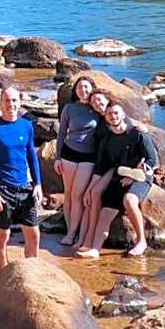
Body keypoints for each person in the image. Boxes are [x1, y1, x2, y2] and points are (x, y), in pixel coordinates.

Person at [76, 102, 158, 258]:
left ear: (123, 115)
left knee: (129, 199)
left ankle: (141, 242)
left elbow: (151, 160)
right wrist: (89, 190)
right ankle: (95, 249)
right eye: (110, 114)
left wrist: (132, 176)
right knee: (105, 212)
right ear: (105, 117)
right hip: (118, 178)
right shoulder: (106, 140)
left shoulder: (138, 134)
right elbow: (100, 168)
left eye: (116, 113)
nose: (113, 116)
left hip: (140, 176)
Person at [0, 86, 43, 268]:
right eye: (7, 101)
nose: (11, 104)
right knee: (3, 236)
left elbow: (32, 156)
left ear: (20, 103)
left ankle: (31, 270)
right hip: (2, 190)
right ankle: (3, 273)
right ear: (0, 104)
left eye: (14, 100)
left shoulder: (27, 126)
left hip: (25, 188)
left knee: (33, 233)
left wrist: (38, 184)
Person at [54, 75, 100, 246]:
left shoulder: (97, 107)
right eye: (80, 87)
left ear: (92, 88)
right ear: (75, 91)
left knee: (77, 194)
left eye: (86, 87)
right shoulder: (69, 108)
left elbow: (116, 119)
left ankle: (73, 233)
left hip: (88, 156)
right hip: (69, 154)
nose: (83, 90)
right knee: (68, 193)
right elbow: (61, 134)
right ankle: (70, 230)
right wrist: (58, 157)